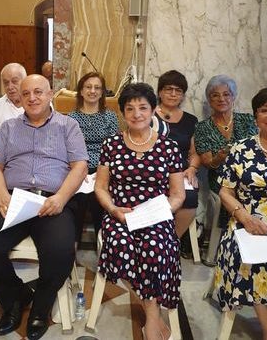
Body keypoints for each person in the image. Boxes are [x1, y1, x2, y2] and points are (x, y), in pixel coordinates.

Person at [0, 74, 88, 340]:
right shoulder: (9, 127)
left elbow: (80, 166)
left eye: (38, 92)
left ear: (50, 94)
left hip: (52, 201)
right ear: (20, 98)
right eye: (26, 94)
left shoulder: (68, 125)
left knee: (60, 251)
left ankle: (40, 307)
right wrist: (1, 194)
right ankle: (15, 297)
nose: (32, 98)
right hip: (15, 199)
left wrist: (61, 198)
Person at [95, 82, 185, 340]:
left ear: (153, 110)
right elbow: (101, 187)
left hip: (156, 215)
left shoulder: (169, 147)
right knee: (122, 246)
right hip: (120, 214)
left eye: (143, 108)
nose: (136, 114)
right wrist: (113, 209)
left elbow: (177, 194)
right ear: (123, 112)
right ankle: (153, 316)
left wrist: (159, 212)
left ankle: (151, 317)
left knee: (155, 248)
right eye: (130, 108)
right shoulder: (111, 144)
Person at [214, 86, 267, 340]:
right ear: (255, 117)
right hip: (248, 222)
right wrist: (244, 217)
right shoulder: (241, 149)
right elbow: (225, 192)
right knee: (259, 264)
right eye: (265, 110)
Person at [194, 75, 257, 264]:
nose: (221, 99)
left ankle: (256, 247)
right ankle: (220, 250)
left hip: (249, 177)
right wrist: (220, 157)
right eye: (215, 95)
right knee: (226, 196)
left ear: (233, 96)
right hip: (220, 180)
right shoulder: (203, 127)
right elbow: (208, 163)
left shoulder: (248, 120)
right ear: (209, 99)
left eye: (226, 94)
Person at [68, 72, 118, 246]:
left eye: (97, 87)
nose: (92, 91)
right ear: (81, 91)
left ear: (102, 92)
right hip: (78, 166)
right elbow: (68, 148)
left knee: (99, 199)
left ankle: (102, 245)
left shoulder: (110, 116)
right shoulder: (71, 118)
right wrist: (79, 170)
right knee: (78, 199)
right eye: (88, 87)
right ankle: (72, 246)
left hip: (103, 167)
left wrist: (103, 171)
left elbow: (113, 148)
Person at [155, 70, 200, 254]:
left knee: (190, 198)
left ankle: (171, 244)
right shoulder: (147, 115)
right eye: (168, 89)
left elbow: (194, 153)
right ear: (160, 92)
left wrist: (192, 168)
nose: (173, 94)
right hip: (153, 171)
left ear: (183, 95)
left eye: (178, 90)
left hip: (180, 173)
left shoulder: (191, 120)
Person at [0, 62, 27, 152]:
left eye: (14, 81)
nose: (10, 87)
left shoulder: (38, 104)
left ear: (25, 81)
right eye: (6, 83)